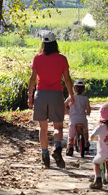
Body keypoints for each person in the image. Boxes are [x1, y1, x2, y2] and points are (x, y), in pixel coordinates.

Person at [27, 31, 75, 168]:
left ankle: (44, 155)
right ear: (55, 43)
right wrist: (71, 95)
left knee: (43, 128)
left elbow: (32, 79)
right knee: (58, 127)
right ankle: (57, 148)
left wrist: (30, 96)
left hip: (41, 95)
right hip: (56, 94)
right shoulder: (62, 59)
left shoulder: (37, 58)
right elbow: (67, 79)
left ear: (43, 43)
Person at [65, 79, 92, 156]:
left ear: (74, 88)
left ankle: (70, 146)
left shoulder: (71, 97)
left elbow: (64, 106)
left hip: (73, 120)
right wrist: (88, 112)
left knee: (71, 134)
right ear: (84, 89)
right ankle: (86, 142)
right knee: (85, 130)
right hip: (82, 119)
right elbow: (88, 109)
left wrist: (67, 112)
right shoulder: (85, 98)